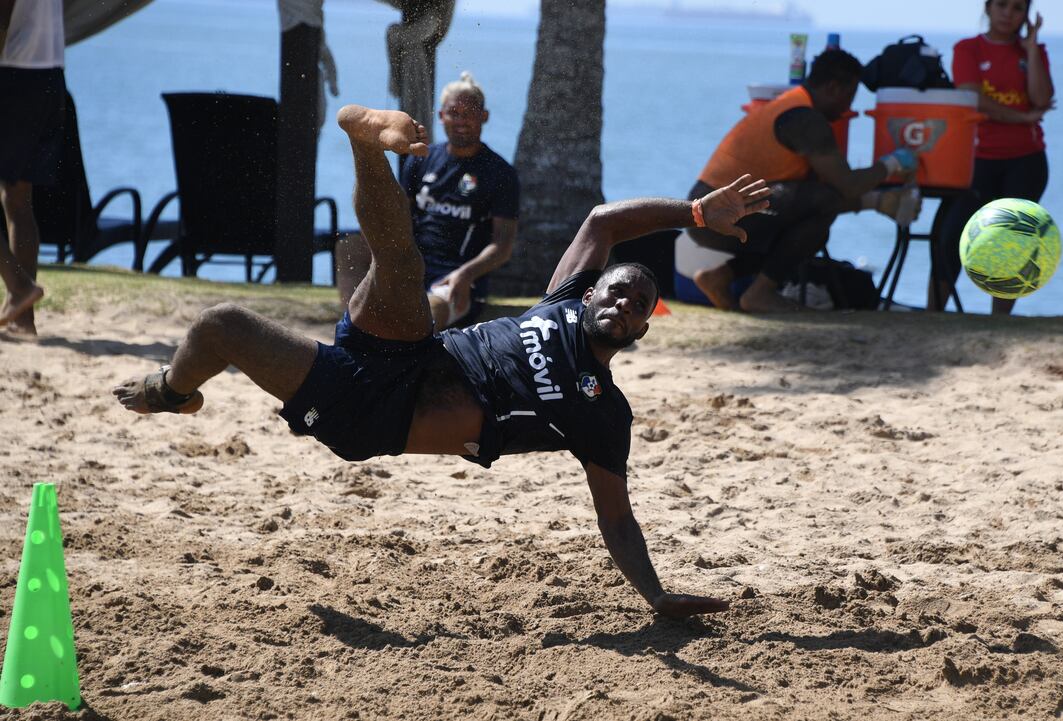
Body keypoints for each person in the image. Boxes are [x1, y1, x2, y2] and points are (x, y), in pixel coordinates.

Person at [113, 104, 772, 618]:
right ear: (592, 289)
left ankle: (173, 390)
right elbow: (602, 221)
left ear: (639, 330)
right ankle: (364, 145)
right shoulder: (563, 300)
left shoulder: (603, 411)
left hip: (374, 412)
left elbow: (618, 518)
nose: (626, 300)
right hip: (405, 346)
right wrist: (692, 213)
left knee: (222, 325)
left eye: (640, 302)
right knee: (395, 266)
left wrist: (656, 595)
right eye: (619, 288)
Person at [688, 48, 919, 313]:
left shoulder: (791, 104)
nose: (849, 108)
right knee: (825, 200)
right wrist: (892, 164)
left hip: (706, 214)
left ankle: (720, 277)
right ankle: (760, 294)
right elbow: (847, 187)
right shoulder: (805, 119)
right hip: (716, 216)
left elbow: (806, 202)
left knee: (814, 226)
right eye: (849, 96)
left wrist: (876, 201)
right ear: (833, 87)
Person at [338, 72, 519, 331]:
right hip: (409, 265)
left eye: (469, 113)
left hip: (452, 279)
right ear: (441, 116)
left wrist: (465, 275)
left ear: (484, 116)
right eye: (454, 112)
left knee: (429, 311)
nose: (461, 120)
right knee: (349, 247)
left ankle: (406, 359)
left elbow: (502, 245)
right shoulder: (421, 158)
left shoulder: (500, 173)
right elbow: (396, 216)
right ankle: (352, 332)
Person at [928, 0, 1054, 315]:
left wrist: (1033, 51)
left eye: (1017, 8)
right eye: (1001, 5)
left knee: (1013, 242)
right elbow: (972, 99)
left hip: (1026, 160)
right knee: (949, 236)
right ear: (988, 8)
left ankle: (999, 320)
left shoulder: (1032, 52)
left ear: (1026, 15)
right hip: (976, 160)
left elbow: (1041, 98)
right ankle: (933, 314)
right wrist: (1022, 118)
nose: (1008, 14)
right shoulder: (968, 48)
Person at [0, 0, 64, 335]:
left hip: (15, 73)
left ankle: (18, 286)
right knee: (19, 199)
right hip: (50, 73)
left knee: (17, 199)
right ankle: (22, 318)